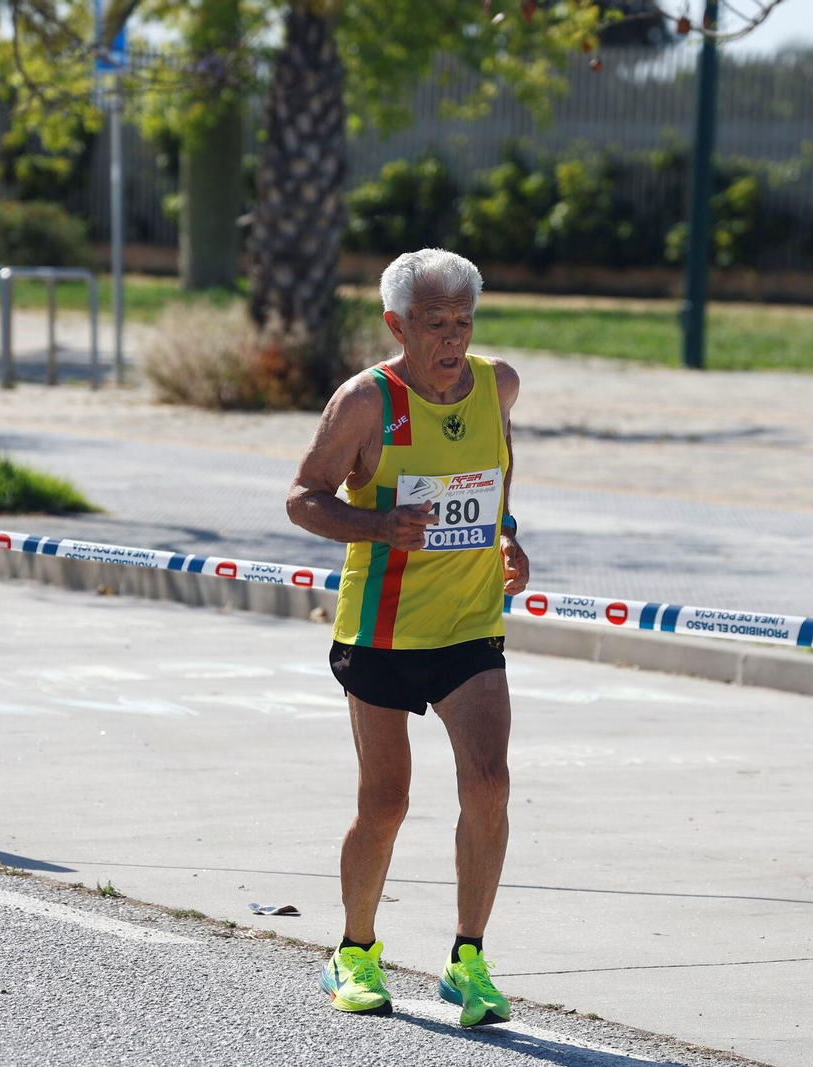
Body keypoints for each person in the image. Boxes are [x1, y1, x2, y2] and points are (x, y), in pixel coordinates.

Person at [286, 248, 530, 1027]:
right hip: (382, 629)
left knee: (489, 783)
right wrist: (378, 525)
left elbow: (496, 475)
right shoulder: (365, 401)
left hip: (468, 624)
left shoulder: (499, 386)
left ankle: (468, 960)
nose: (451, 339)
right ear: (396, 324)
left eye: (463, 321)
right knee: (386, 802)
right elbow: (303, 498)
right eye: (433, 324)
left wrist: (509, 536)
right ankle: (354, 949)